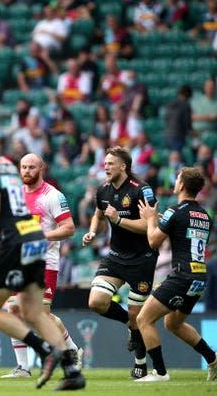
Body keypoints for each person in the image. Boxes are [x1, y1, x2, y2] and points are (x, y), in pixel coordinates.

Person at [0, 117, 85, 390]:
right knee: (34, 311)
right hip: (32, 239)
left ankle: (44, 350)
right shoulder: (4, 164)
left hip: (14, 244)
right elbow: (14, 210)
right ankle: (72, 370)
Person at [1, 153, 82, 378]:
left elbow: (69, 228)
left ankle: (71, 348)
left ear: (41, 168)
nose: (26, 171)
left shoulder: (52, 195)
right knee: (13, 309)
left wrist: (43, 235)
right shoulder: (15, 195)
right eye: (23, 167)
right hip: (18, 261)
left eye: (31, 167)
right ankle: (23, 368)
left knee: (41, 314)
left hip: (45, 262)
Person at [82, 146, 158, 379]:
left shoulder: (141, 191)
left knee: (139, 316)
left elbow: (150, 226)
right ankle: (128, 321)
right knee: (96, 301)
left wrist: (118, 220)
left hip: (142, 259)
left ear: (123, 166)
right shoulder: (103, 190)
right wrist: (94, 231)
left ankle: (140, 363)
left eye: (110, 163)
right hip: (116, 256)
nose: (105, 166)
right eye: (104, 163)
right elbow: (98, 213)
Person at [137, 166, 217, 382]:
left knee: (143, 319)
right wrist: (164, 220)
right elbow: (184, 232)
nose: (175, 181)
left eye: (177, 178)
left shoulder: (175, 210)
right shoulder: (204, 215)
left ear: (181, 184)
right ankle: (213, 359)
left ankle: (160, 373)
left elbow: (153, 241)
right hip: (199, 277)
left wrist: (151, 218)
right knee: (173, 324)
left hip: (182, 276)